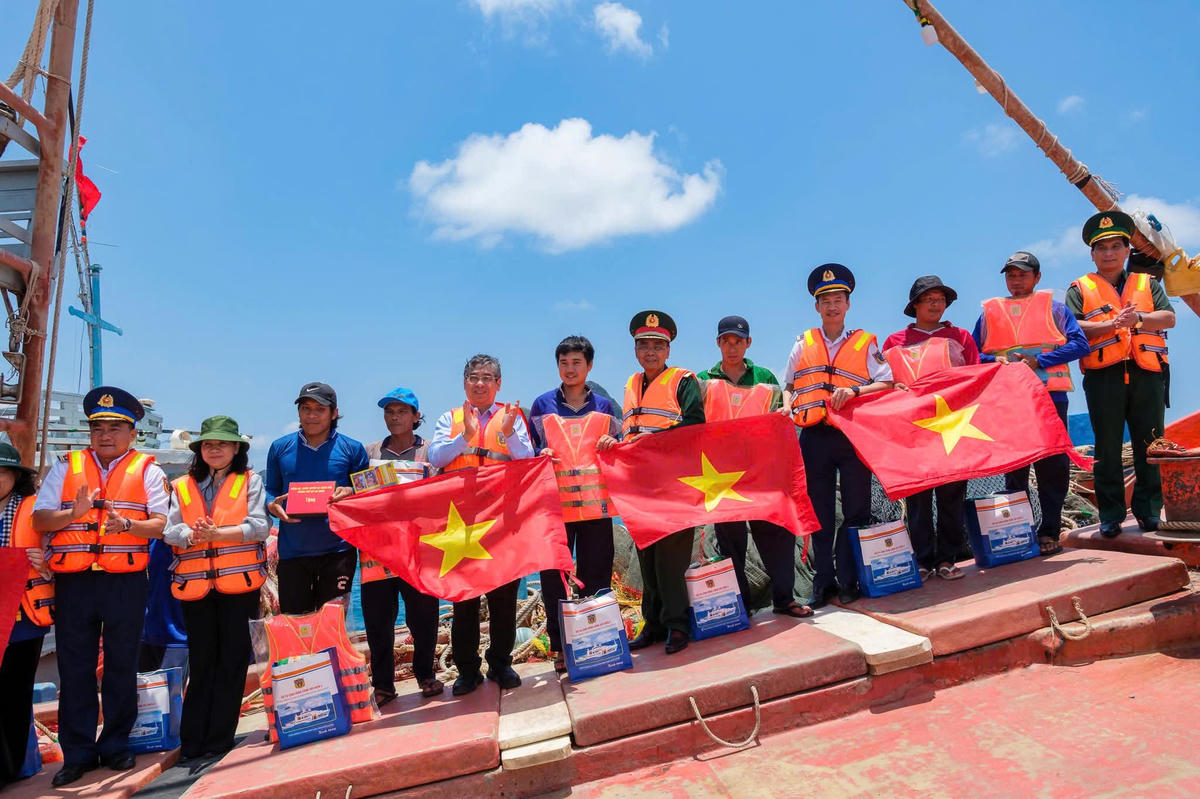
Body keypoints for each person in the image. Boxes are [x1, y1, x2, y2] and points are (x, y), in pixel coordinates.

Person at [31, 387, 169, 787]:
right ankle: (77, 754)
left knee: (122, 664)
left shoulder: (148, 470)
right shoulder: (65, 467)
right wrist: (71, 514)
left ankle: (116, 745)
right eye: (98, 428)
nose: (105, 435)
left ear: (131, 433)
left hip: (124, 580)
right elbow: (40, 521)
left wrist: (127, 526)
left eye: (115, 427)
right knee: (74, 668)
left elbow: (159, 525)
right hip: (75, 581)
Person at [783, 266, 893, 608]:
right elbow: (788, 385)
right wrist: (786, 408)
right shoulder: (803, 343)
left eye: (838, 299)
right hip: (814, 436)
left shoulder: (866, 342)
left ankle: (850, 580)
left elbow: (886, 381)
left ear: (848, 304)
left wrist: (856, 390)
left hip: (851, 435)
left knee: (857, 509)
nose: (832, 306)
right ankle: (823, 585)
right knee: (820, 513)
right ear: (817, 307)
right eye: (825, 301)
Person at [162, 415, 270, 760]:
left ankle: (219, 739)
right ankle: (193, 741)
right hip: (195, 586)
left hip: (238, 584)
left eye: (222, 443)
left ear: (236, 448)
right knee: (203, 660)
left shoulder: (250, 481)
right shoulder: (181, 486)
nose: (215, 449)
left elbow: (260, 526)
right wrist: (191, 535)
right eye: (209, 444)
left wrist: (217, 535)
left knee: (233, 661)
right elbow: (169, 529)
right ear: (200, 450)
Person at [1067, 213, 1176, 537]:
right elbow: (1071, 326)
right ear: (1092, 254)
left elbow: (1168, 317)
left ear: (1127, 250)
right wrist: (1111, 325)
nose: (1109, 253)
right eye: (1102, 248)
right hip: (1104, 377)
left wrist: (1137, 319)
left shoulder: (1147, 283)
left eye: (1116, 246)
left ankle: (1149, 512)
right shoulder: (1080, 288)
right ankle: (1111, 516)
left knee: (1152, 445)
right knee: (1107, 447)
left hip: (1148, 374)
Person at [973, 252, 1089, 554]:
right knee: (1016, 467)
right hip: (1009, 400)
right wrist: (991, 359)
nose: (1016, 280)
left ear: (1037, 277)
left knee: (1053, 465)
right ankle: (1019, 533)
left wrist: (1041, 360)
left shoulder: (1057, 309)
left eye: (1022, 274)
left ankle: (1049, 530)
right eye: (1010, 275)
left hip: (1049, 397)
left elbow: (1080, 344)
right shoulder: (989, 313)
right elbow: (972, 355)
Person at [428, 355, 531, 695]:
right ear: (464, 383)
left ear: (499, 383)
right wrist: (466, 437)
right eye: (474, 377)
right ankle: (467, 670)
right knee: (465, 600)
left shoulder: (512, 417)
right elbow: (436, 458)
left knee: (504, 597)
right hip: (460, 521)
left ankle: (501, 663)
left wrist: (508, 434)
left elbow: (527, 461)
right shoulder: (450, 418)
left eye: (488, 377)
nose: (480, 383)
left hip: (501, 520)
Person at [697, 316, 811, 617]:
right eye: (726, 341)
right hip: (720, 476)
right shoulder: (703, 380)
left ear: (748, 343)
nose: (732, 347)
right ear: (718, 343)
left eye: (738, 341)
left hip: (760, 473)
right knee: (730, 542)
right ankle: (741, 607)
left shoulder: (765, 377)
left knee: (776, 534)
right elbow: (691, 426)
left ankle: (784, 599)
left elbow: (778, 420)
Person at [607, 311, 705, 655]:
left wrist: (653, 441)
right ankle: (654, 623)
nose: (650, 352)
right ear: (636, 350)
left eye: (657, 346)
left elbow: (695, 425)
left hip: (674, 485)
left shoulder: (684, 381)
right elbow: (630, 433)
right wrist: (615, 444)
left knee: (671, 560)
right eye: (644, 345)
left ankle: (678, 626)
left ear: (668, 350)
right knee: (647, 558)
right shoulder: (631, 385)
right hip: (640, 486)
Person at [529, 336, 623, 672]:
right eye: (564, 363)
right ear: (558, 366)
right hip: (555, 508)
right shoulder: (541, 405)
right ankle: (560, 648)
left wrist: (614, 441)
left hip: (596, 507)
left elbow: (621, 446)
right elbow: (529, 452)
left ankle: (602, 641)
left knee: (597, 573)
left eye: (577, 363)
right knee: (555, 576)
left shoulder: (605, 406)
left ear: (589, 366)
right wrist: (538, 455)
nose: (570, 369)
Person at [883, 276, 979, 580]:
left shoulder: (961, 336)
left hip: (953, 426)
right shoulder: (893, 343)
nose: (935, 304)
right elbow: (883, 384)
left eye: (940, 299)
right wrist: (893, 387)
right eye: (928, 299)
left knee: (952, 496)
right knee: (918, 500)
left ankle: (948, 558)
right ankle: (923, 560)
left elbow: (977, 376)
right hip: (913, 432)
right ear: (915, 306)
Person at [361, 387, 443, 702]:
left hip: (418, 551)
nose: (394, 417)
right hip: (377, 552)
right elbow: (353, 494)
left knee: (423, 616)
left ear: (416, 417)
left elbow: (440, 494)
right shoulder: (367, 453)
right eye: (389, 412)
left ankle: (427, 675)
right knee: (378, 620)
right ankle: (383, 684)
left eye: (402, 412)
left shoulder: (431, 453)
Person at [265, 382, 368, 613]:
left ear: (334, 413)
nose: (311, 415)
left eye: (320, 409)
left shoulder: (353, 449)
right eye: (305, 408)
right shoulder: (280, 447)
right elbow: (271, 490)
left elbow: (365, 493)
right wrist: (272, 505)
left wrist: (351, 491)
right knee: (296, 624)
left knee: (331, 627)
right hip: (293, 552)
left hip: (339, 551)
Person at [0, 444, 46, 788]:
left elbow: (61, 559)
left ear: (15, 477)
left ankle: (10, 769)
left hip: (23, 619)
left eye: (1, 472)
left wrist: (46, 565)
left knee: (15, 695)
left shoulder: (36, 512)